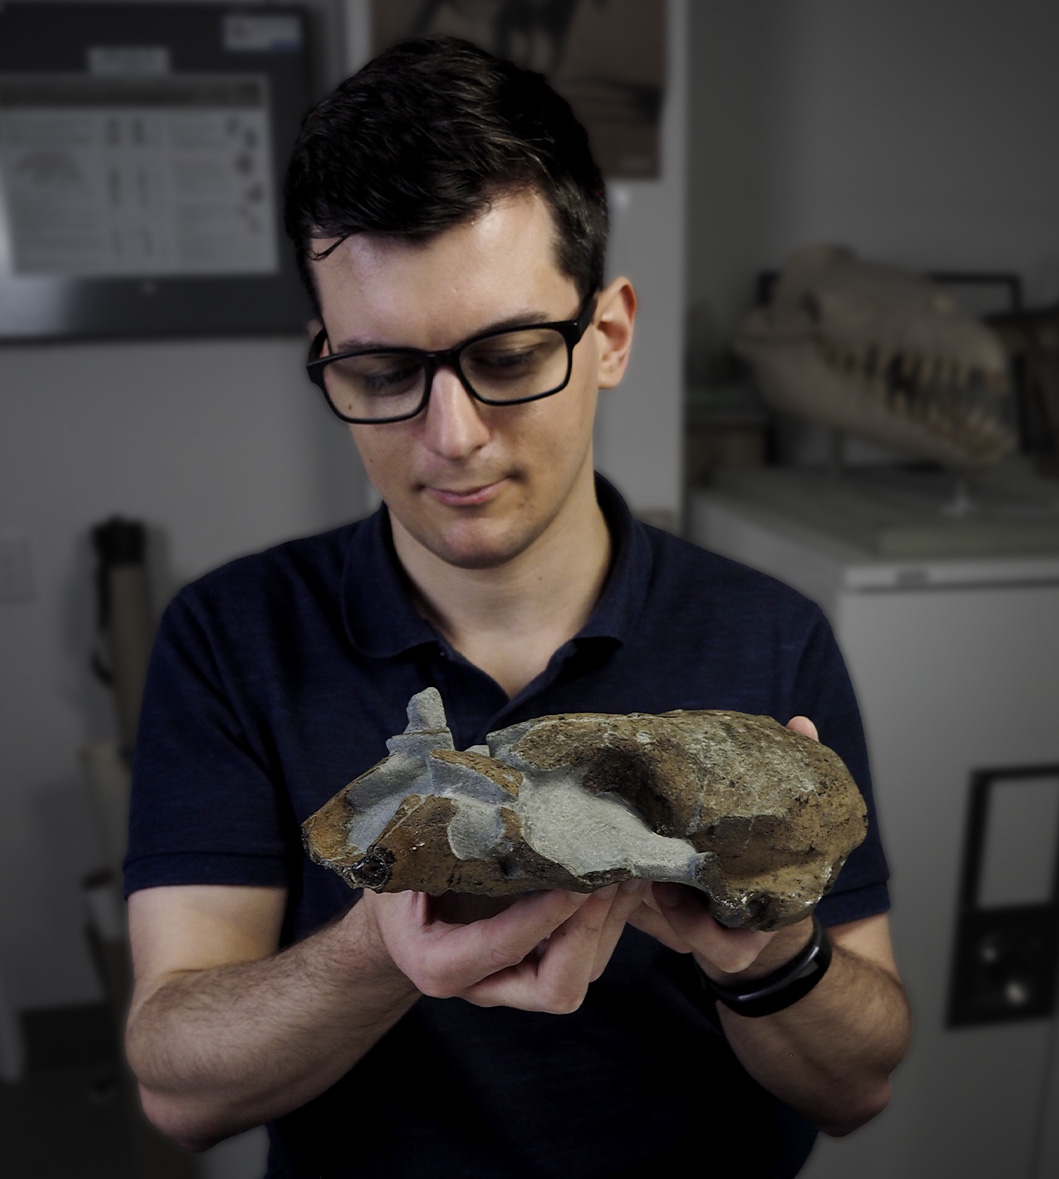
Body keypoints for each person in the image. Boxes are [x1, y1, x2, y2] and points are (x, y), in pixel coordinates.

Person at [123, 36, 911, 1179]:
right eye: (384, 374)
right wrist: (379, 954)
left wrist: (769, 956)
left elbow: (861, 1086)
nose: (451, 436)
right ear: (328, 359)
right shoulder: (232, 636)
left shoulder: (771, 636)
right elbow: (176, 1088)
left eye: (506, 356)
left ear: (609, 337)